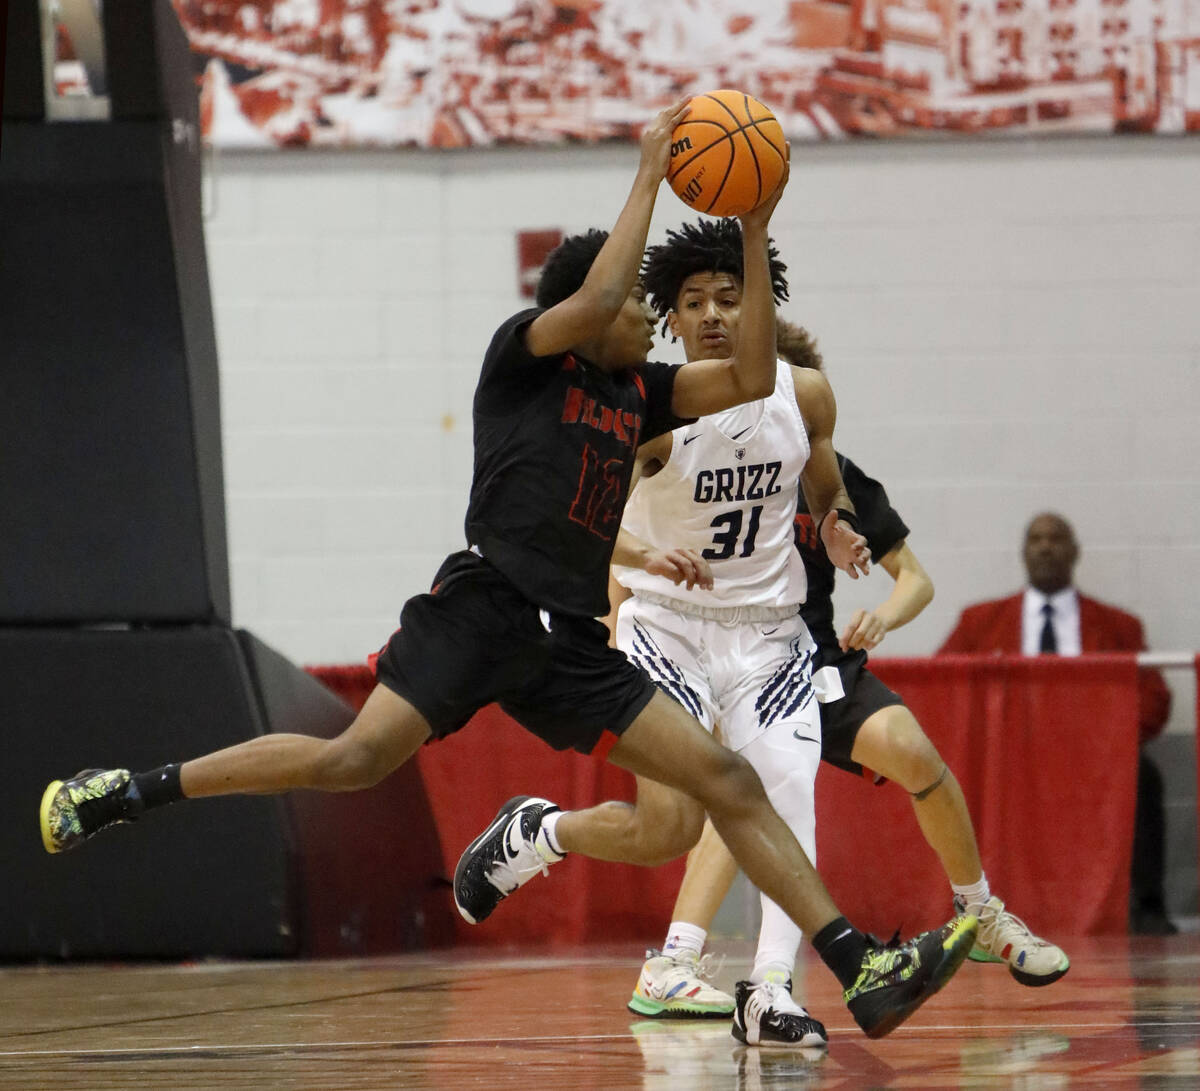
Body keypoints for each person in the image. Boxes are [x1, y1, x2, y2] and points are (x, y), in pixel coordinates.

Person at [37, 101, 976, 1042]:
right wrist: (650, 174)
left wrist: (756, 224)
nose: (652, 326)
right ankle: (123, 790)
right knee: (350, 760)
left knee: (725, 784)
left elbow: (747, 376)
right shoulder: (523, 359)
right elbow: (603, 300)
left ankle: (861, 968)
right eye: (640, 314)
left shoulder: (638, 392)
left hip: (569, 641)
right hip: (483, 607)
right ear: (580, 317)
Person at [602, 222, 1068, 1044]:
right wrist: (618, 598)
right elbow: (595, 519)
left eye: (730, 301)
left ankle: (958, 919)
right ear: (673, 319)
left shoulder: (805, 410)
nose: (714, 315)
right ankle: (667, 949)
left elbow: (866, 532)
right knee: (702, 807)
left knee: (837, 774)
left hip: (800, 649)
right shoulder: (651, 409)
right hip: (677, 629)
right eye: (694, 303)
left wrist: (846, 541)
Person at [938, 511, 1175, 934]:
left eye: (1056, 538)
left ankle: (1148, 907)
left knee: (1146, 775)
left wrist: (1107, 736)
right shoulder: (980, 623)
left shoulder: (1119, 627)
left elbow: (1155, 699)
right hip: (1010, 762)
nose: (1046, 546)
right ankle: (968, 906)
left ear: (1075, 552)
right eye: (1036, 539)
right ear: (1023, 553)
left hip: (1092, 761)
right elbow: (947, 692)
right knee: (949, 784)